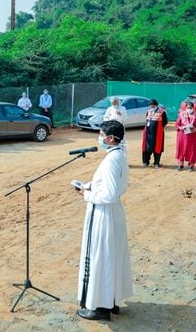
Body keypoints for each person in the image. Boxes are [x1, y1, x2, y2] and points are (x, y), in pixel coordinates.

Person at [75, 120, 132, 321]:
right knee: (112, 257)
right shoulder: (118, 155)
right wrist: (90, 185)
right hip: (113, 213)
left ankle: (100, 307)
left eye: (100, 134)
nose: (99, 137)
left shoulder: (110, 160)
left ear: (110, 138)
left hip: (104, 214)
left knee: (101, 258)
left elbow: (108, 194)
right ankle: (111, 300)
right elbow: (112, 186)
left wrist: (86, 194)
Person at [175, 102, 196, 171]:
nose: (189, 109)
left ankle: (191, 165)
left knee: (193, 149)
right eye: (188, 108)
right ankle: (180, 164)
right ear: (186, 108)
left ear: (193, 108)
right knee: (181, 149)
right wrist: (181, 128)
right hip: (182, 135)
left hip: (193, 136)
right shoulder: (181, 114)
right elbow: (177, 124)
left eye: (191, 108)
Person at [142, 99, 168, 168]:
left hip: (157, 133)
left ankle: (156, 163)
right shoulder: (148, 111)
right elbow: (147, 120)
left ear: (156, 105)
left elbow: (165, 122)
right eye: (151, 106)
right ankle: (146, 162)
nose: (152, 107)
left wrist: (157, 127)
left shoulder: (162, 112)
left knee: (157, 147)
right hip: (148, 133)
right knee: (147, 147)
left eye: (153, 106)